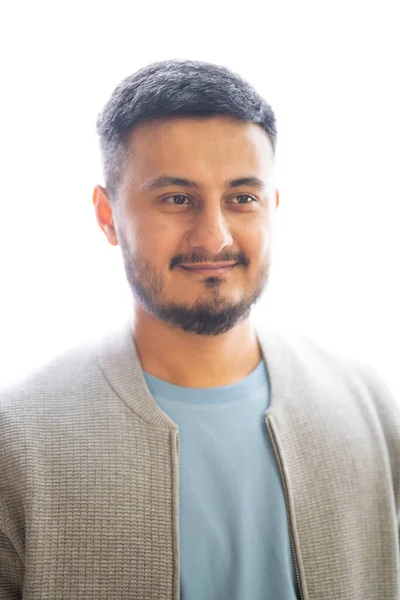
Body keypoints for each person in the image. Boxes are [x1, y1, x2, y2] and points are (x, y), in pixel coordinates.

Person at [0, 59, 399, 600]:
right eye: (176, 199)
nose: (214, 238)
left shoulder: (371, 411)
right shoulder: (16, 444)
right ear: (107, 216)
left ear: (272, 207)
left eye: (242, 198)